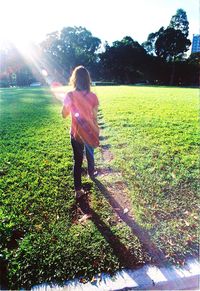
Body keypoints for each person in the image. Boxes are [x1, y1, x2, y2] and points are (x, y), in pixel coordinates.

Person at [62, 66, 99, 199]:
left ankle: (78, 190)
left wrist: (69, 105)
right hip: (89, 132)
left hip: (76, 133)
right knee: (90, 155)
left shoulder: (69, 95)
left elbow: (64, 114)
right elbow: (95, 117)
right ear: (88, 80)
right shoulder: (93, 96)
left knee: (77, 161)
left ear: (74, 79)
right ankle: (91, 173)